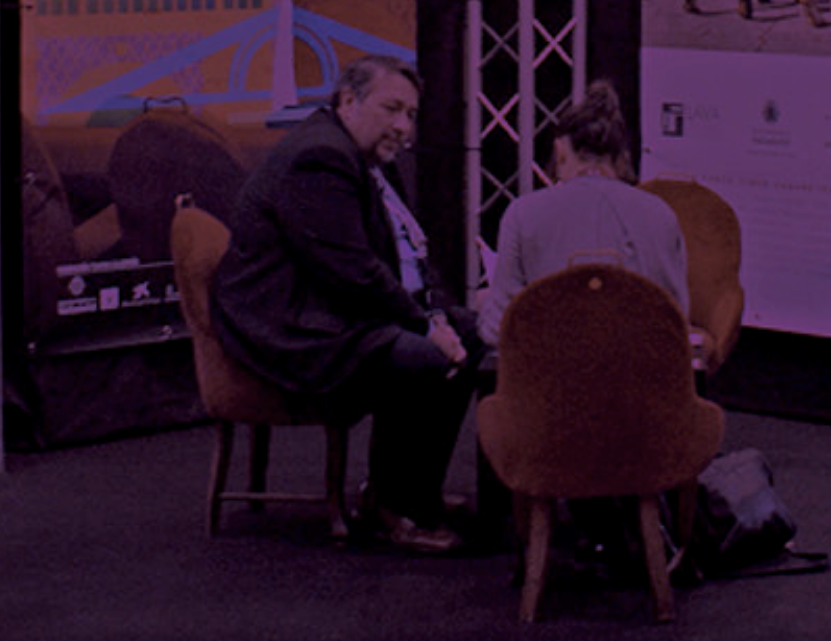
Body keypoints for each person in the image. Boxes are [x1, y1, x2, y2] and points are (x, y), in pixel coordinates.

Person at [209, 55, 474, 553]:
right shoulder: (320, 158)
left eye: (411, 115)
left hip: (333, 308)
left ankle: (413, 490)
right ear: (348, 100)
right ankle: (392, 508)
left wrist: (440, 315)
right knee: (421, 356)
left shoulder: (369, 157)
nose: (404, 126)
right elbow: (352, 271)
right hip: (292, 327)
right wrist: (425, 327)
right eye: (392, 109)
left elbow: (412, 252)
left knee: (472, 335)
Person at [475, 81, 686, 346]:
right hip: (640, 371)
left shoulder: (522, 214)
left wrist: (485, 306)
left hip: (548, 371)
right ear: (622, 158)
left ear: (560, 152)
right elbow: (676, 323)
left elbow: (497, 330)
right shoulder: (661, 215)